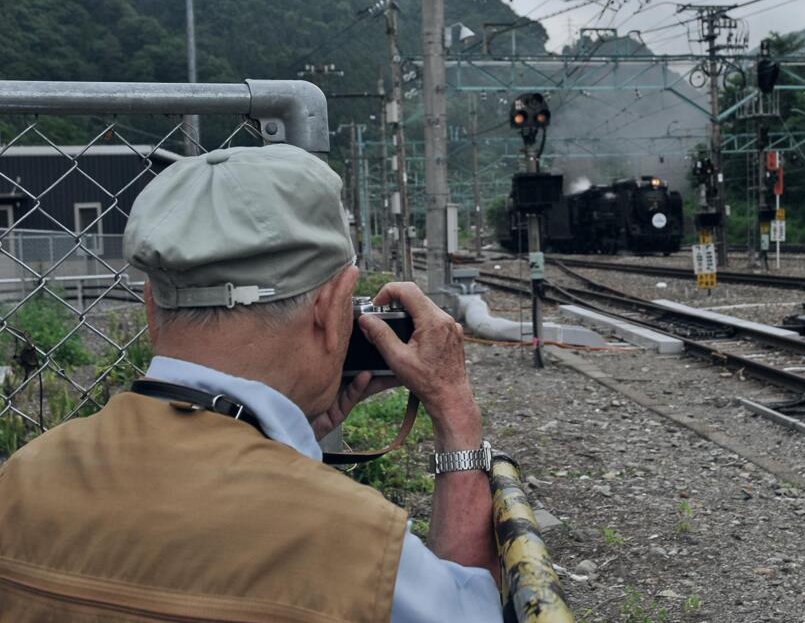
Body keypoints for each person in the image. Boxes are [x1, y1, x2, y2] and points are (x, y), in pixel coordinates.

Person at [0, 144, 502, 622]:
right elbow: (471, 608)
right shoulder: (359, 547)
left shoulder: (22, 481)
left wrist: (288, 439)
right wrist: (454, 413)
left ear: (151, 308)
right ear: (331, 309)